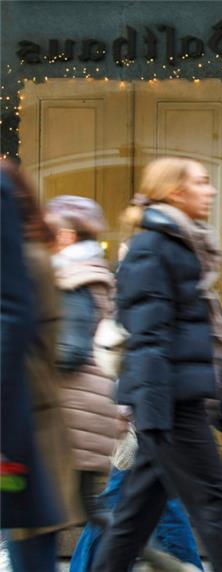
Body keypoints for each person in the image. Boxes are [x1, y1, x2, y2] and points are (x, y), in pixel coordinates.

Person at [90, 157, 222, 571]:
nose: (210, 191)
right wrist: (156, 414)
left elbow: (206, 329)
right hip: (171, 404)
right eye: (202, 183)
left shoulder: (183, 244)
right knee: (215, 507)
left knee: (133, 520)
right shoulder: (153, 247)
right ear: (176, 192)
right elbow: (149, 335)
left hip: (174, 400)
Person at [1, 161, 71, 571]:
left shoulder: (29, 262)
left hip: (31, 420)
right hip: (28, 418)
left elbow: (41, 346)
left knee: (31, 546)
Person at [44, 195, 123, 526]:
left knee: (42, 512)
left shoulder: (72, 279)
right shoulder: (87, 274)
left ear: (67, 234)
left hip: (70, 413)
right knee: (87, 511)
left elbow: (70, 350)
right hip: (82, 411)